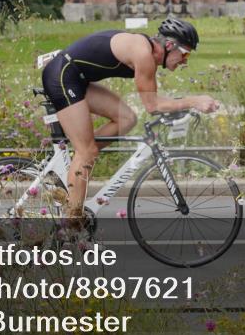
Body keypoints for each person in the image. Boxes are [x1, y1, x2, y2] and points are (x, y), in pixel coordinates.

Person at [40, 18, 219, 223]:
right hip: (62, 75)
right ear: (169, 45)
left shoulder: (147, 52)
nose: (185, 61)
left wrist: (185, 105)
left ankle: (77, 162)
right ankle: (71, 225)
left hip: (77, 77)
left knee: (126, 119)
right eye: (185, 54)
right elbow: (152, 106)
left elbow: (155, 101)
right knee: (86, 152)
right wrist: (194, 101)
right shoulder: (143, 53)